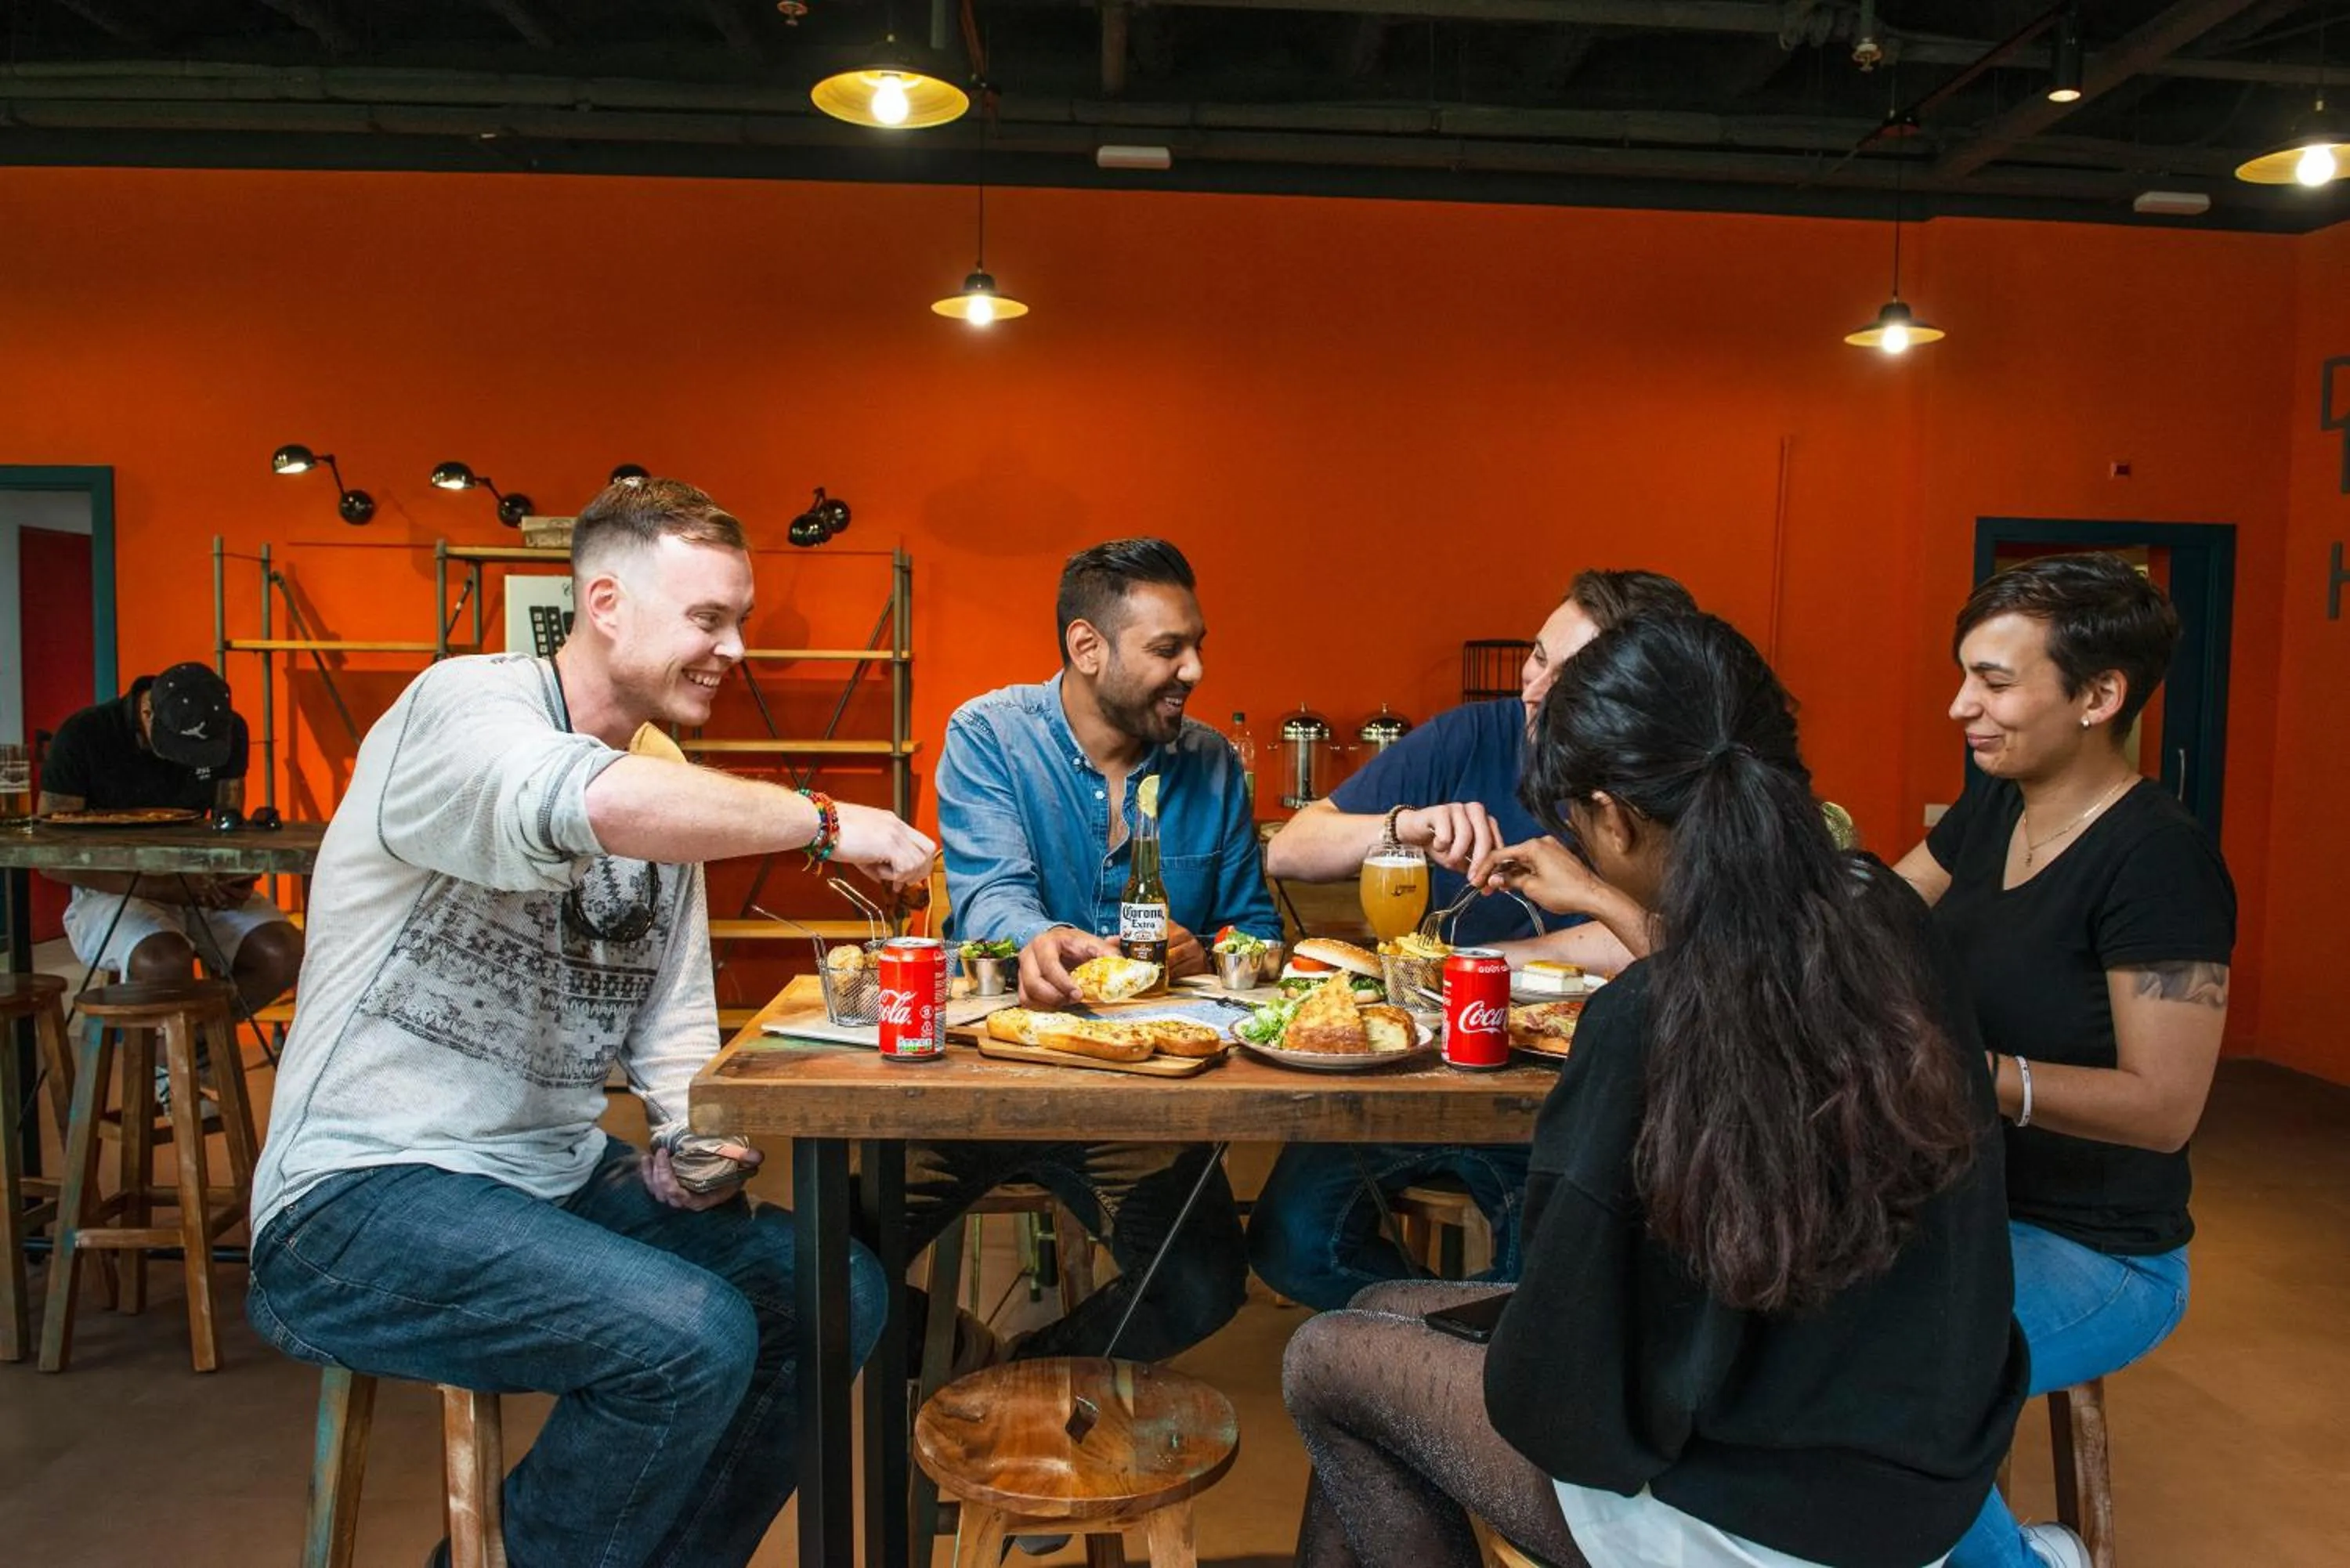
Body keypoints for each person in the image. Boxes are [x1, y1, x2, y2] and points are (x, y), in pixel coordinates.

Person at [245, 479, 937, 1568]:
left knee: (834, 1294)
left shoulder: (669, 782)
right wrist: (826, 819)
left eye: (739, 619)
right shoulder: (465, 708)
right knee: (690, 1336)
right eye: (708, 619)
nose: (735, 648)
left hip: (549, 1177)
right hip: (355, 1198)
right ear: (605, 603)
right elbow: (588, 801)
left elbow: (671, 1011)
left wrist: (690, 1137)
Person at [1283, 612, 2026, 1568]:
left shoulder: (1645, 1018)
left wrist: (1506, 1362)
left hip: (1758, 1520)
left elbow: (1564, 1414)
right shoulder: (1887, 917)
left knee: (1327, 1360)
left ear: (1614, 818)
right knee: (1384, 1300)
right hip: (1926, 1474)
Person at [1889, 555, 2234, 1568]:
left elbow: (2165, 1106)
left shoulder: (2159, 860)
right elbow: (1873, 919)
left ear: (2098, 695)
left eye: (1994, 681)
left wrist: (1966, 1069)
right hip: (1966, 1213)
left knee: (1886, 1369)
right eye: (1965, 675)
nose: (1961, 705)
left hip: (2099, 1250)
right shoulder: (1995, 806)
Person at [1246, 569, 1693, 1312]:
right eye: (1537, 657)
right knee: (1290, 1244)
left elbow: (1682, 945)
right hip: (1422, 1070)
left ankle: (1481, 1346)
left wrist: (1484, 961)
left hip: (1570, 1097)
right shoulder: (1474, 735)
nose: (1534, 690)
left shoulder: (1663, 781)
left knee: (1548, 1277)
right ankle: (1461, 1340)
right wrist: (1402, 826)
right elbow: (1290, 848)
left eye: (1569, 678)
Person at [927, 537, 1277, 1363]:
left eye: (1197, 645)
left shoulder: (1211, 764)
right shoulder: (990, 734)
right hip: (984, 1079)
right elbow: (990, 895)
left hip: (1138, 1102)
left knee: (1202, 1286)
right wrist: (1038, 939)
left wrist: (1212, 953)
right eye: (1168, 649)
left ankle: (1020, 1377)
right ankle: (965, 1363)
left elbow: (1256, 932)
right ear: (1087, 647)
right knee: (833, 1265)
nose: (1194, 669)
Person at [38, 661, 303, 1011]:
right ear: (146, 712)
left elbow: (226, 825)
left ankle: (201, 1040)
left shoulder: (226, 732)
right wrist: (161, 887)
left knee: (284, 952)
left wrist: (235, 874)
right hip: (109, 886)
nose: (185, 761)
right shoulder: (84, 735)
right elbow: (50, 859)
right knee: (164, 959)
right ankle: (181, 1046)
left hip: (196, 880)